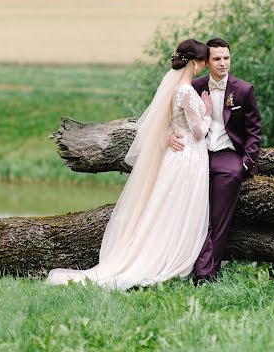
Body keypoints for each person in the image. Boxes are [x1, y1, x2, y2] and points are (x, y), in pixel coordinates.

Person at [47, 39, 213, 290]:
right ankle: (169, 258)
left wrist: (170, 135)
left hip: (180, 154)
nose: (203, 66)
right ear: (194, 62)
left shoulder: (175, 88)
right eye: (201, 61)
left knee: (168, 207)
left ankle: (168, 253)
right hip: (188, 156)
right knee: (178, 207)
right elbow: (199, 132)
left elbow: (166, 123)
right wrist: (208, 113)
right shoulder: (186, 92)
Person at [169, 37, 262, 283]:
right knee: (197, 217)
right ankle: (187, 267)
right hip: (197, 157)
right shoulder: (194, 86)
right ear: (206, 62)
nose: (223, 63)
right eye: (217, 59)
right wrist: (169, 137)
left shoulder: (243, 90)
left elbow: (254, 131)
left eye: (226, 58)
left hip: (229, 159)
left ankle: (205, 275)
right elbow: (173, 116)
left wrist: (246, 162)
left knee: (218, 220)